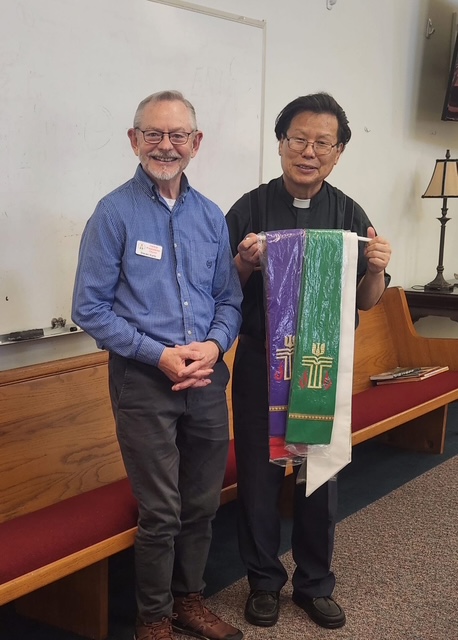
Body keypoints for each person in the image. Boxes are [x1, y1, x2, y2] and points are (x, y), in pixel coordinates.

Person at [72, 90, 243, 640]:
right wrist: (160, 355)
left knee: (202, 503)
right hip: (144, 381)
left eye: (177, 135)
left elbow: (229, 299)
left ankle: (189, 600)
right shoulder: (113, 213)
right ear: (134, 140)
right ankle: (153, 618)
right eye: (153, 134)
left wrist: (214, 346)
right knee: (162, 510)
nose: (165, 145)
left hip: (206, 378)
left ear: (196, 143)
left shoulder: (211, 215)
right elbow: (89, 308)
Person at [225, 92, 392, 630]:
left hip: (321, 363)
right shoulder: (249, 208)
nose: (309, 152)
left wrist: (376, 269)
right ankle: (263, 582)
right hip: (263, 362)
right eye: (299, 139)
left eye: (323, 143)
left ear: (338, 152)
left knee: (319, 475)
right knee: (259, 476)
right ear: (281, 143)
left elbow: (367, 300)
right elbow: (219, 290)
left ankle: (315, 584)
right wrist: (244, 263)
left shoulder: (349, 213)